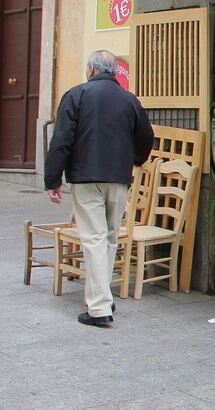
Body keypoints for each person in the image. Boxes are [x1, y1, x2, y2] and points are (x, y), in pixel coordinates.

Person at [44, 50, 154, 327]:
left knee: (93, 238)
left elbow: (61, 141)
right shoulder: (129, 100)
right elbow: (146, 138)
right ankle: (103, 296)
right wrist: (135, 160)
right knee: (109, 239)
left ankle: (99, 308)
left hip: (86, 177)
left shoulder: (76, 95)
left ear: (91, 70)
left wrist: (52, 178)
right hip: (118, 177)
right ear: (114, 71)